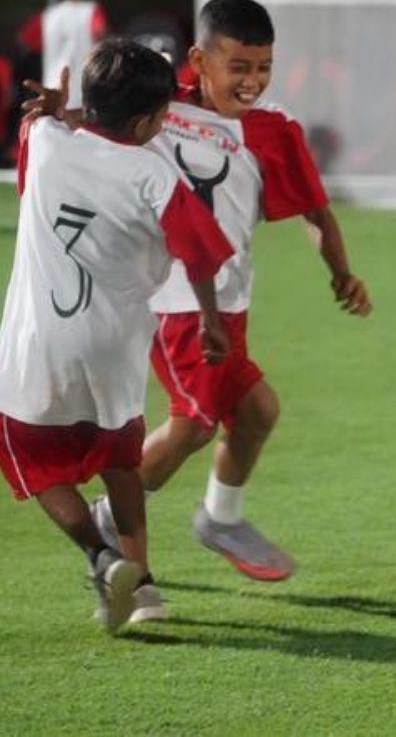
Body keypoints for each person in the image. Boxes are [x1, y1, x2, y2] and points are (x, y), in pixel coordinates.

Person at [84, 0, 372, 617]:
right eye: (238, 66)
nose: (253, 80)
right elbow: (100, 126)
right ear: (198, 59)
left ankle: (219, 516)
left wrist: (341, 272)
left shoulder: (275, 129)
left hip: (228, 302)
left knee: (259, 411)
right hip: (172, 299)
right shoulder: (159, 107)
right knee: (194, 421)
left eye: (263, 66)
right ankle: (109, 521)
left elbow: (315, 209)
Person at [0, 41, 233, 633]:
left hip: (37, 345)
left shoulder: (46, 143)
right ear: (147, 121)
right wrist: (209, 317)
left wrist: (59, 113)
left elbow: (47, 135)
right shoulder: (157, 173)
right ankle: (144, 585)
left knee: (35, 460)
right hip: (114, 349)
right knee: (120, 464)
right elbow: (201, 255)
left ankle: (100, 559)